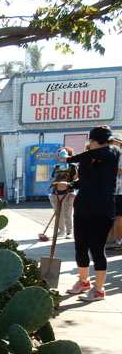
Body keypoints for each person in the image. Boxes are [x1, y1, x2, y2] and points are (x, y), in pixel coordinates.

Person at [63, 126, 120, 301]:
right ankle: (83, 281)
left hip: (102, 209)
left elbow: (103, 152)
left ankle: (99, 290)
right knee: (80, 247)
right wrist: (70, 185)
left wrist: (69, 158)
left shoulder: (112, 152)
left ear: (94, 141)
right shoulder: (90, 158)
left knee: (96, 249)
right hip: (82, 208)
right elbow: (85, 180)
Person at [48, 147, 77, 238]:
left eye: (64, 157)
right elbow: (52, 178)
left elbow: (76, 179)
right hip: (56, 193)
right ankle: (61, 231)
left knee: (67, 213)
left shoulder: (73, 167)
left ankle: (69, 231)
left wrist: (74, 191)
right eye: (61, 157)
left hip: (68, 193)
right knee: (58, 214)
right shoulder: (56, 167)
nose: (62, 159)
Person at [110, 133, 122, 248]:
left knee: (118, 216)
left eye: (114, 142)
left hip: (119, 191)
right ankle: (116, 239)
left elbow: (119, 170)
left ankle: (118, 240)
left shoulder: (119, 155)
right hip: (112, 191)